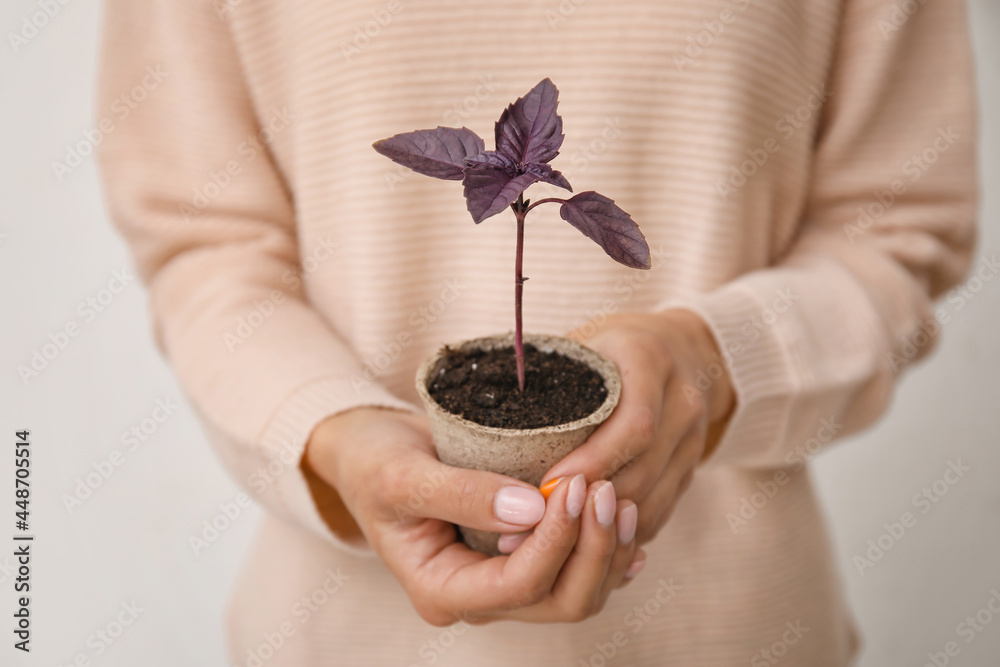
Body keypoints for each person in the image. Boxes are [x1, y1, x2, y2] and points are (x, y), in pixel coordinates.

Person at [96, 0, 977, 664]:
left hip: (734, 629)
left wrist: (716, 357)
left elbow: (898, 230)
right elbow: (205, 243)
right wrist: (336, 437)